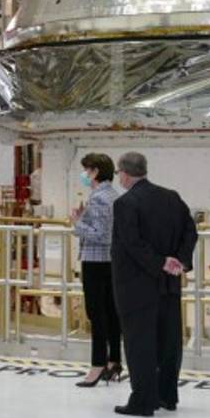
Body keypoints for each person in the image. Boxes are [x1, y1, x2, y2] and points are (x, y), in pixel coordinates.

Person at [111, 152, 197, 417]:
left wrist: (160, 262)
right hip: (169, 285)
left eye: (118, 173)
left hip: (136, 287)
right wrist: (180, 261)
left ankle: (143, 401)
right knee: (168, 342)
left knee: (140, 343)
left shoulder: (125, 203)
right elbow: (191, 231)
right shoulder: (172, 197)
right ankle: (167, 396)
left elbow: (132, 243)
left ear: (125, 174)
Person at [70, 152, 122, 387]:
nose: (84, 174)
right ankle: (114, 361)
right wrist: (85, 217)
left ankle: (98, 364)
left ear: (96, 172)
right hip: (110, 262)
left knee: (96, 314)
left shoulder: (99, 198)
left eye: (87, 170)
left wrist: (77, 223)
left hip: (95, 261)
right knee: (111, 312)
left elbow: (101, 235)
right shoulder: (112, 194)